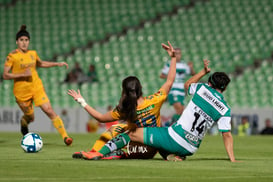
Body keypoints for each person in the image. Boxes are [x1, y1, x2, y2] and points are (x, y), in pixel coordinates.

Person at [81, 59, 240, 162]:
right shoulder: (225, 109)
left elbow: (187, 85)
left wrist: (202, 72)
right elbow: (226, 135)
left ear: (210, 82)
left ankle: (99, 153)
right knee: (160, 133)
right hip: (191, 148)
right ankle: (173, 156)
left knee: (130, 134)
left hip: (173, 137)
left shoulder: (202, 89)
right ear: (225, 88)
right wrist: (232, 159)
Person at [68, 41, 177, 159]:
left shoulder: (126, 108)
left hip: (137, 148)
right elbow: (169, 81)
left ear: (124, 92)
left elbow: (100, 118)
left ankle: (101, 153)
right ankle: (102, 153)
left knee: (118, 130)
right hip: (151, 148)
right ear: (140, 88)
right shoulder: (154, 100)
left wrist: (82, 102)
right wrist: (173, 58)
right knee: (119, 128)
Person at [3, 25, 73, 146]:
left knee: (49, 110)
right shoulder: (12, 56)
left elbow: (41, 63)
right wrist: (22, 74)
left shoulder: (33, 53)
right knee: (30, 117)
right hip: (21, 92)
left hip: (36, 87)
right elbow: (5, 75)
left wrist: (57, 64)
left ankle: (66, 137)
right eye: (21, 40)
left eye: (26, 40)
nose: (24, 43)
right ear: (17, 42)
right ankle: (24, 122)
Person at [160, 48, 195, 124]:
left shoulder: (184, 65)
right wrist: (172, 76)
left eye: (179, 53)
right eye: (176, 53)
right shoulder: (169, 64)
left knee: (181, 111)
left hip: (181, 91)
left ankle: (169, 123)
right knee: (179, 109)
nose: (178, 55)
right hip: (173, 90)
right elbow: (162, 75)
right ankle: (167, 124)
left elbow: (192, 74)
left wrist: (191, 67)